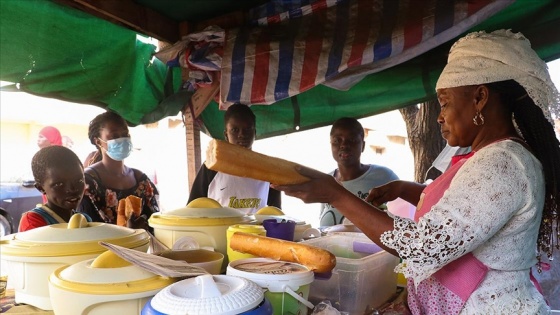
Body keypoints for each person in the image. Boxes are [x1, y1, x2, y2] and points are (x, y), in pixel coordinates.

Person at [272, 29, 559, 314]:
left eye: (445, 102)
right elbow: (466, 215)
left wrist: (336, 195)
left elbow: (424, 245)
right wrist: (407, 190)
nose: (439, 115)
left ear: (480, 97)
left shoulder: (503, 163)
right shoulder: (489, 157)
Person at [188, 104, 281, 214]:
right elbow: (192, 209)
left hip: (256, 231)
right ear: (226, 135)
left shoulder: (268, 169)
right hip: (219, 231)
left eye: (247, 129)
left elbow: (275, 214)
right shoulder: (211, 167)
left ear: (254, 133)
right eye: (235, 130)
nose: (242, 135)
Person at [77, 111, 159, 231]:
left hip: (142, 248)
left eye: (125, 134)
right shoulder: (88, 183)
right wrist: (128, 233)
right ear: (98, 141)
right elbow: (88, 231)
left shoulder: (141, 180)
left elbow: (156, 223)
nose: (123, 139)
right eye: (115, 136)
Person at [320, 117, 399, 226]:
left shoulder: (385, 177)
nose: (344, 145)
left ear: (363, 146)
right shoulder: (326, 182)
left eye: (352, 140)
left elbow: (401, 220)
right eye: (337, 140)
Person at [19, 146, 91, 231]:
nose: (72, 189)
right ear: (41, 188)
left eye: (79, 180)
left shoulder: (84, 219)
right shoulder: (33, 221)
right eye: (59, 184)